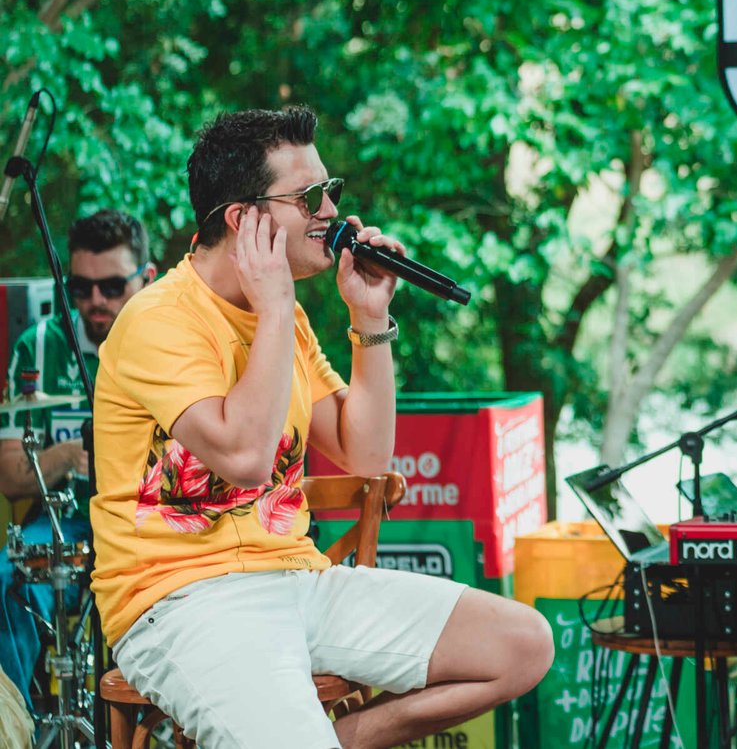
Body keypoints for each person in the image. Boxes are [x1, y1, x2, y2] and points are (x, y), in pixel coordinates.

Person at [90, 106, 552, 749]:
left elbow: (367, 454)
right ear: (243, 219)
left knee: (522, 644)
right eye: (308, 198)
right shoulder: (157, 320)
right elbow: (246, 459)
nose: (331, 212)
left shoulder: (287, 320)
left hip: (297, 581)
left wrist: (369, 317)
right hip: (179, 601)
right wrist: (277, 305)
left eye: (330, 192)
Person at [0, 208, 155, 705]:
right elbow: (9, 476)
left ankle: (155, 725)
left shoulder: (171, 343)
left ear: (147, 278)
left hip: (151, 524)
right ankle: (21, 725)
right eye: (80, 288)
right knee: (6, 579)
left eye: (112, 286)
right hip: (65, 522)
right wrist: (68, 455)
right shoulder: (38, 347)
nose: (95, 301)